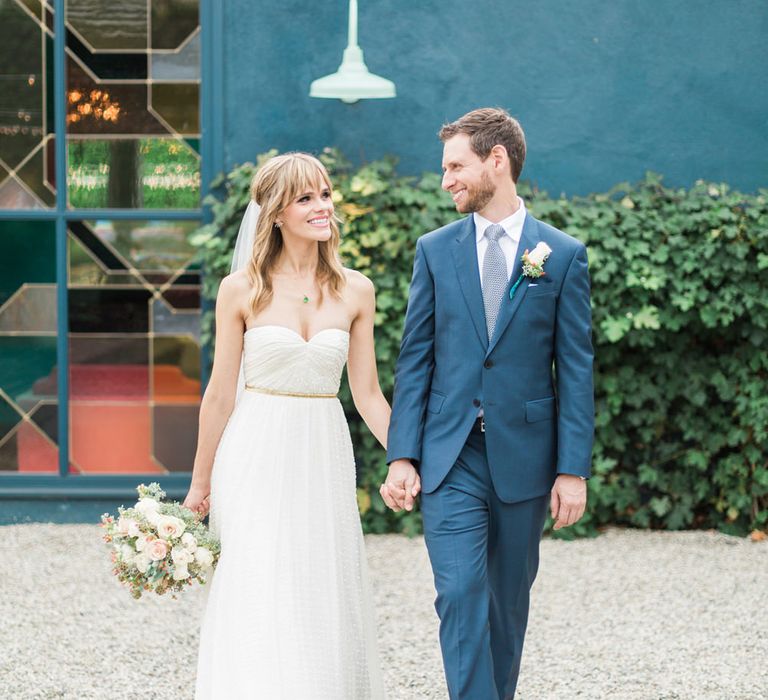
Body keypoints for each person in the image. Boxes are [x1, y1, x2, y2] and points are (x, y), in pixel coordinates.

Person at [381, 108, 594, 699]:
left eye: (456, 165)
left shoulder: (562, 254)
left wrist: (572, 470)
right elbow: (414, 359)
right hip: (450, 455)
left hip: (525, 458)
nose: (445, 179)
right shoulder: (434, 249)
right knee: (458, 592)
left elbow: (576, 370)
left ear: (495, 160)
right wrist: (403, 456)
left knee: (507, 602)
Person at [183, 152, 388, 699]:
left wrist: (410, 458)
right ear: (275, 212)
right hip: (254, 453)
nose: (323, 207)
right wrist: (200, 484)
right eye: (306, 198)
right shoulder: (240, 289)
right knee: (258, 582)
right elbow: (220, 394)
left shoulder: (356, 290)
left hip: (322, 450)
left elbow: (367, 395)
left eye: (325, 194)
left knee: (318, 581)